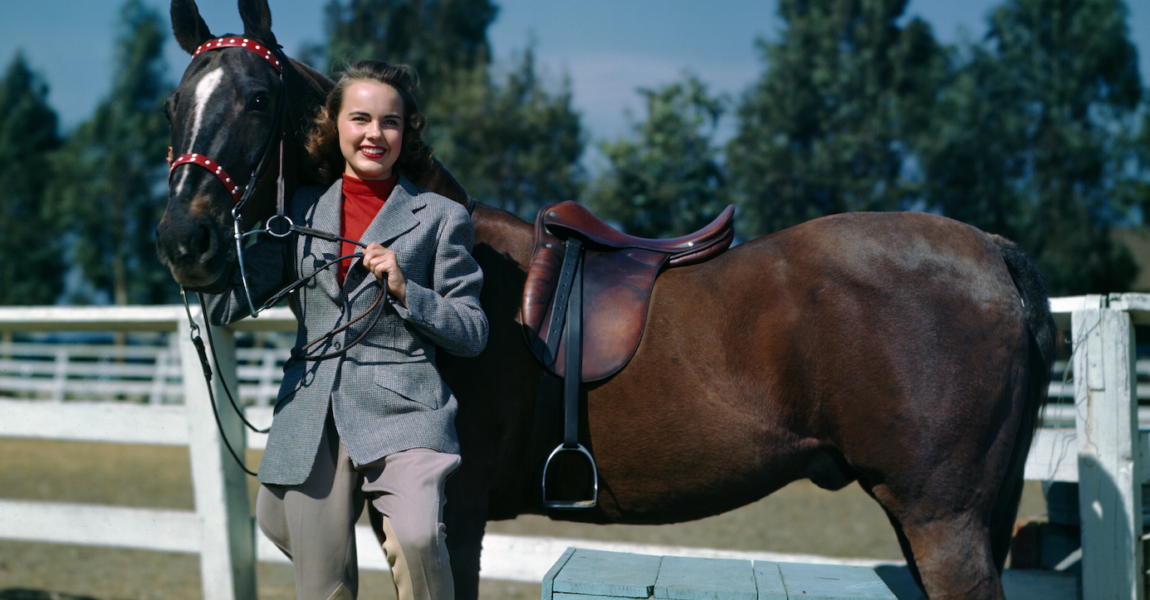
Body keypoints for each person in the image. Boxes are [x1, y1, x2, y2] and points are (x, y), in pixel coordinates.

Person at [204, 59, 488, 600]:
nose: (374, 134)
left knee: (421, 537)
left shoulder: (440, 217)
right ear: (334, 125)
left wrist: (409, 290)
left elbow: (472, 331)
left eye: (390, 122)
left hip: (406, 413)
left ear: (407, 133)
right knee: (323, 585)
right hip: (311, 418)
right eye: (360, 118)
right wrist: (198, 235)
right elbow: (228, 303)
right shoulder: (298, 211)